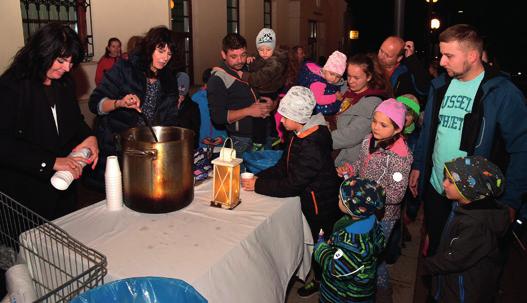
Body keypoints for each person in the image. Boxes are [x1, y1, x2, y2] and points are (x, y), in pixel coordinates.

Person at [408, 24, 527, 257]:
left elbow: (522, 149)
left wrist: (511, 200)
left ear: (472, 56)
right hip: (437, 189)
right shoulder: (440, 86)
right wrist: (418, 165)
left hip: (477, 201)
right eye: (442, 54)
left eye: (448, 55)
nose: (441, 62)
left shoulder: (502, 93)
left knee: (467, 266)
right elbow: (429, 132)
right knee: (437, 254)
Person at [241, 86, 341, 298]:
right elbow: (283, 167)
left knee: (320, 245)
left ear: (300, 117)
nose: (282, 121)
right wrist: (261, 177)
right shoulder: (299, 132)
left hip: (319, 206)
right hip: (308, 200)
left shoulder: (312, 144)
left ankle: (322, 282)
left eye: (285, 117)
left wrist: (258, 186)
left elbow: (293, 184)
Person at [0, 23, 99, 220]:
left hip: (62, 189)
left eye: (71, 63)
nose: (67, 68)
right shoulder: (11, 86)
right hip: (25, 192)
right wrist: (51, 162)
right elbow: (4, 144)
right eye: (62, 60)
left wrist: (89, 137)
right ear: (42, 52)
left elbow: (74, 122)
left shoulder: (64, 82)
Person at [337, 98, 413, 303]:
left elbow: (397, 194)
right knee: (364, 257)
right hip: (362, 211)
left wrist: (367, 194)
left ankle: (383, 295)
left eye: (383, 125)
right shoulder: (368, 140)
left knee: (373, 260)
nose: (376, 128)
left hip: (384, 217)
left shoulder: (400, 157)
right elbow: (360, 163)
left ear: (397, 129)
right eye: (374, 121)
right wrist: (349, 170)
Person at [87, 26, 180, 191]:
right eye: (161, 50)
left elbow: (170, 119)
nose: (165, 57)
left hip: (148, 152)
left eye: (169, 53)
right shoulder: (125, 68)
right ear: (150, 47)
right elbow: (95, 103)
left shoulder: (169, 79)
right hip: (117, 148)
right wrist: (119, 103)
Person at [423, 156, 509, 303]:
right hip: (449, 282)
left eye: (451, 181)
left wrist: (428, 265)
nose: (444, 184)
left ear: (470, 188)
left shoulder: (475, 224)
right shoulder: (462, 204)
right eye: (446, 178)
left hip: (461, 290)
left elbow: (455, 259)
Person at [314, 177, 385, 303]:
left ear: (354, 209)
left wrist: (321, 247)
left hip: (343, 296)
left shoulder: (352, 244)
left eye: (341, 199)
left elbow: (335, 269)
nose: (338, 198)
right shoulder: (372, 219)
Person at [207, 33, 274, 158]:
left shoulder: (251, 69)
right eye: (233, 56)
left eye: (243, 55)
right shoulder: (217, 79)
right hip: (241, 140)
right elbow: (218, 117)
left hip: (264, 133)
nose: (240, 60)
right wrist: (248, 111)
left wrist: (271, 104)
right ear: (223, 55)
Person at [332, 53, 390, 167]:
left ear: (369, 77)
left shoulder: (372, 102)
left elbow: (351, 135)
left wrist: (320, 138)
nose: (351, 81)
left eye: (356, 78)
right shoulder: (349, 92)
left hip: (348, 163)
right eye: (348, 76)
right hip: (338, 156)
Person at [244, 28, 288, 151]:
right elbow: (257, 64)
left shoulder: (275, 61)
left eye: (268, 49)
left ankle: (259, 142)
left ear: (273, 49)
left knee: (260, 116)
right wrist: (250, 59)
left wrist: (245, 75)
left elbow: (259, 77)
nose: (264, 53)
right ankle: (274, 137)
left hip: (269, 91)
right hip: (265, 90)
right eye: (260, 50)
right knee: (268, 117)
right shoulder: (261, 58)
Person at [377, 37, 430, 106]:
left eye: (387, 55)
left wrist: (412, 59)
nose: (381, 56)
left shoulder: (405, 75)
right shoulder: (371, 66)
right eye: (381, 51)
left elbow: (424, 89)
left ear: (399, 58)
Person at [297, 50, 347, 116]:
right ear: (324, 70)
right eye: (332, 74)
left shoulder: (326, 78)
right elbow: (319, 100)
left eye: (338, 77)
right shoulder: (318, 83)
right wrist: (335, 97)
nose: (334, 78)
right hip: (317, 112)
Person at [191, 68, 227, 149]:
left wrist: (223, 138)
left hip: (220, 146)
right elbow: (192, 125)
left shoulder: (223, 98)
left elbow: (228, 121)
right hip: (201, 146)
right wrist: (200, 138)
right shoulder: (196, 98)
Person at [174, 72, 200, 149]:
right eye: (179, 94)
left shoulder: (193, 107)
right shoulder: (166, 105)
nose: (180, 97)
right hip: (169, 146)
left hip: (187, 147)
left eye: (183, 95)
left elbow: (195, 131)